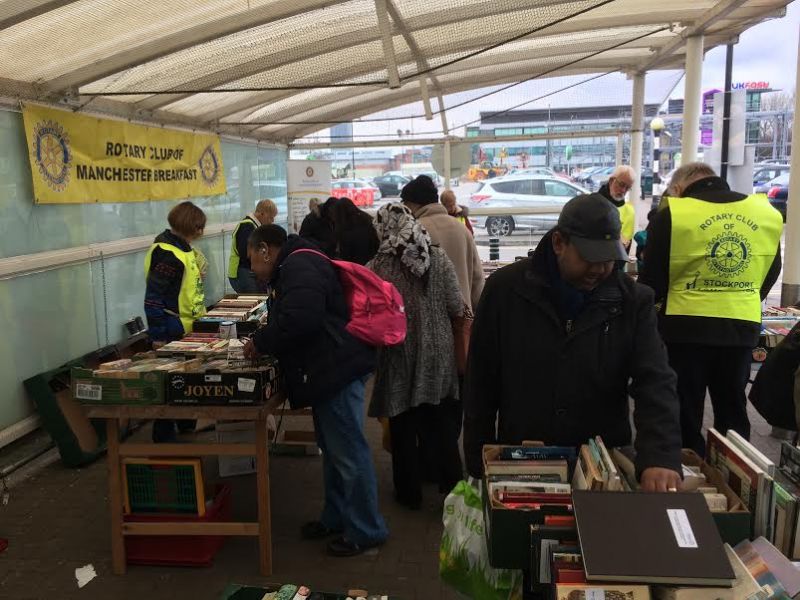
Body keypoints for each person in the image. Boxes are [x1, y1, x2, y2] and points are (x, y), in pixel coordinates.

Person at [463, 194, 682, 491]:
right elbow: (482, 379)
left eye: (608, 258)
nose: (599, 269)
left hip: (602, 464)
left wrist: (660, 454)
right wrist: (478, 460)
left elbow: (655, 379)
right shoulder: (505, 290)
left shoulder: (632, 301)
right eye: (589, 258)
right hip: (523, 458)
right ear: (558, 243)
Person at [243, 225, 388, 557]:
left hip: (334, 368)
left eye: (253, 259)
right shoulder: (296, 264)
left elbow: (302, 320)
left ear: (265, 249)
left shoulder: (299, 265)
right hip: (328, 368)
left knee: (348, 451)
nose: (252, 269)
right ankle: (336, 517)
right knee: (335, 450)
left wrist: (262, 341)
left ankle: (366, 530)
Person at [638, 162, 783, 456]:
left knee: (685, 408)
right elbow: (771, 268)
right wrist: (743, 297)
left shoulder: (675, 213)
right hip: (740, 325)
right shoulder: (765, 212)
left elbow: (652, 277)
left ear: (678, 188)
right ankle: (736, 475)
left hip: (684, 328)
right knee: (732, 407)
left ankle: (691, 476)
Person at [367, 203, 464, 509]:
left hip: (398, 352)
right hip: (438, 351)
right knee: (442, 425)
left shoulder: (378, 266)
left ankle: (409, 494)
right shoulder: (437, 256)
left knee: (403, 425)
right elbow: (456, 305)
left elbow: (370, 312)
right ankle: (453, 490)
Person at [144, 201, 207, 443]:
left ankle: (185, 424)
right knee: (171, 383)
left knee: (185, 380)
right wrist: (158, 335)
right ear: (193, 227)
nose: (202, 233)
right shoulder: (168, 254)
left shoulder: (181, 248)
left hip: (186, 326)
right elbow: (154, 298)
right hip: (172, 329)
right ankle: (163, 435)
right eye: (200, 227)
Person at [401, 175, 484, 311]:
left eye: (405, 202)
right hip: (462, 319)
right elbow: (477, 279)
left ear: (413, 203)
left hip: (428, 321)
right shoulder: (461, 229)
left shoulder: (413, 232)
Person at [228, 198, 278, 293]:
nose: (272, 221)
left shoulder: (255, 227)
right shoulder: (247, 226)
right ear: (261, 214)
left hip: (249, 271)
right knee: (256, 302)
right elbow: (245, 253)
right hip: (243, 272)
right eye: (270, 217)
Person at [327, 197, 380, 265]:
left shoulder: (344, 227)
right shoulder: (366, 218)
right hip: (371, 260)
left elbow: (345, 254)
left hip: (355, 264)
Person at [598, 166, 637, 252]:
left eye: (627, 188)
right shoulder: (593, 203)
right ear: (612, 180)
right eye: (622, 184)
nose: (623, 190)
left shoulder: (630, 211)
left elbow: (626, 245)